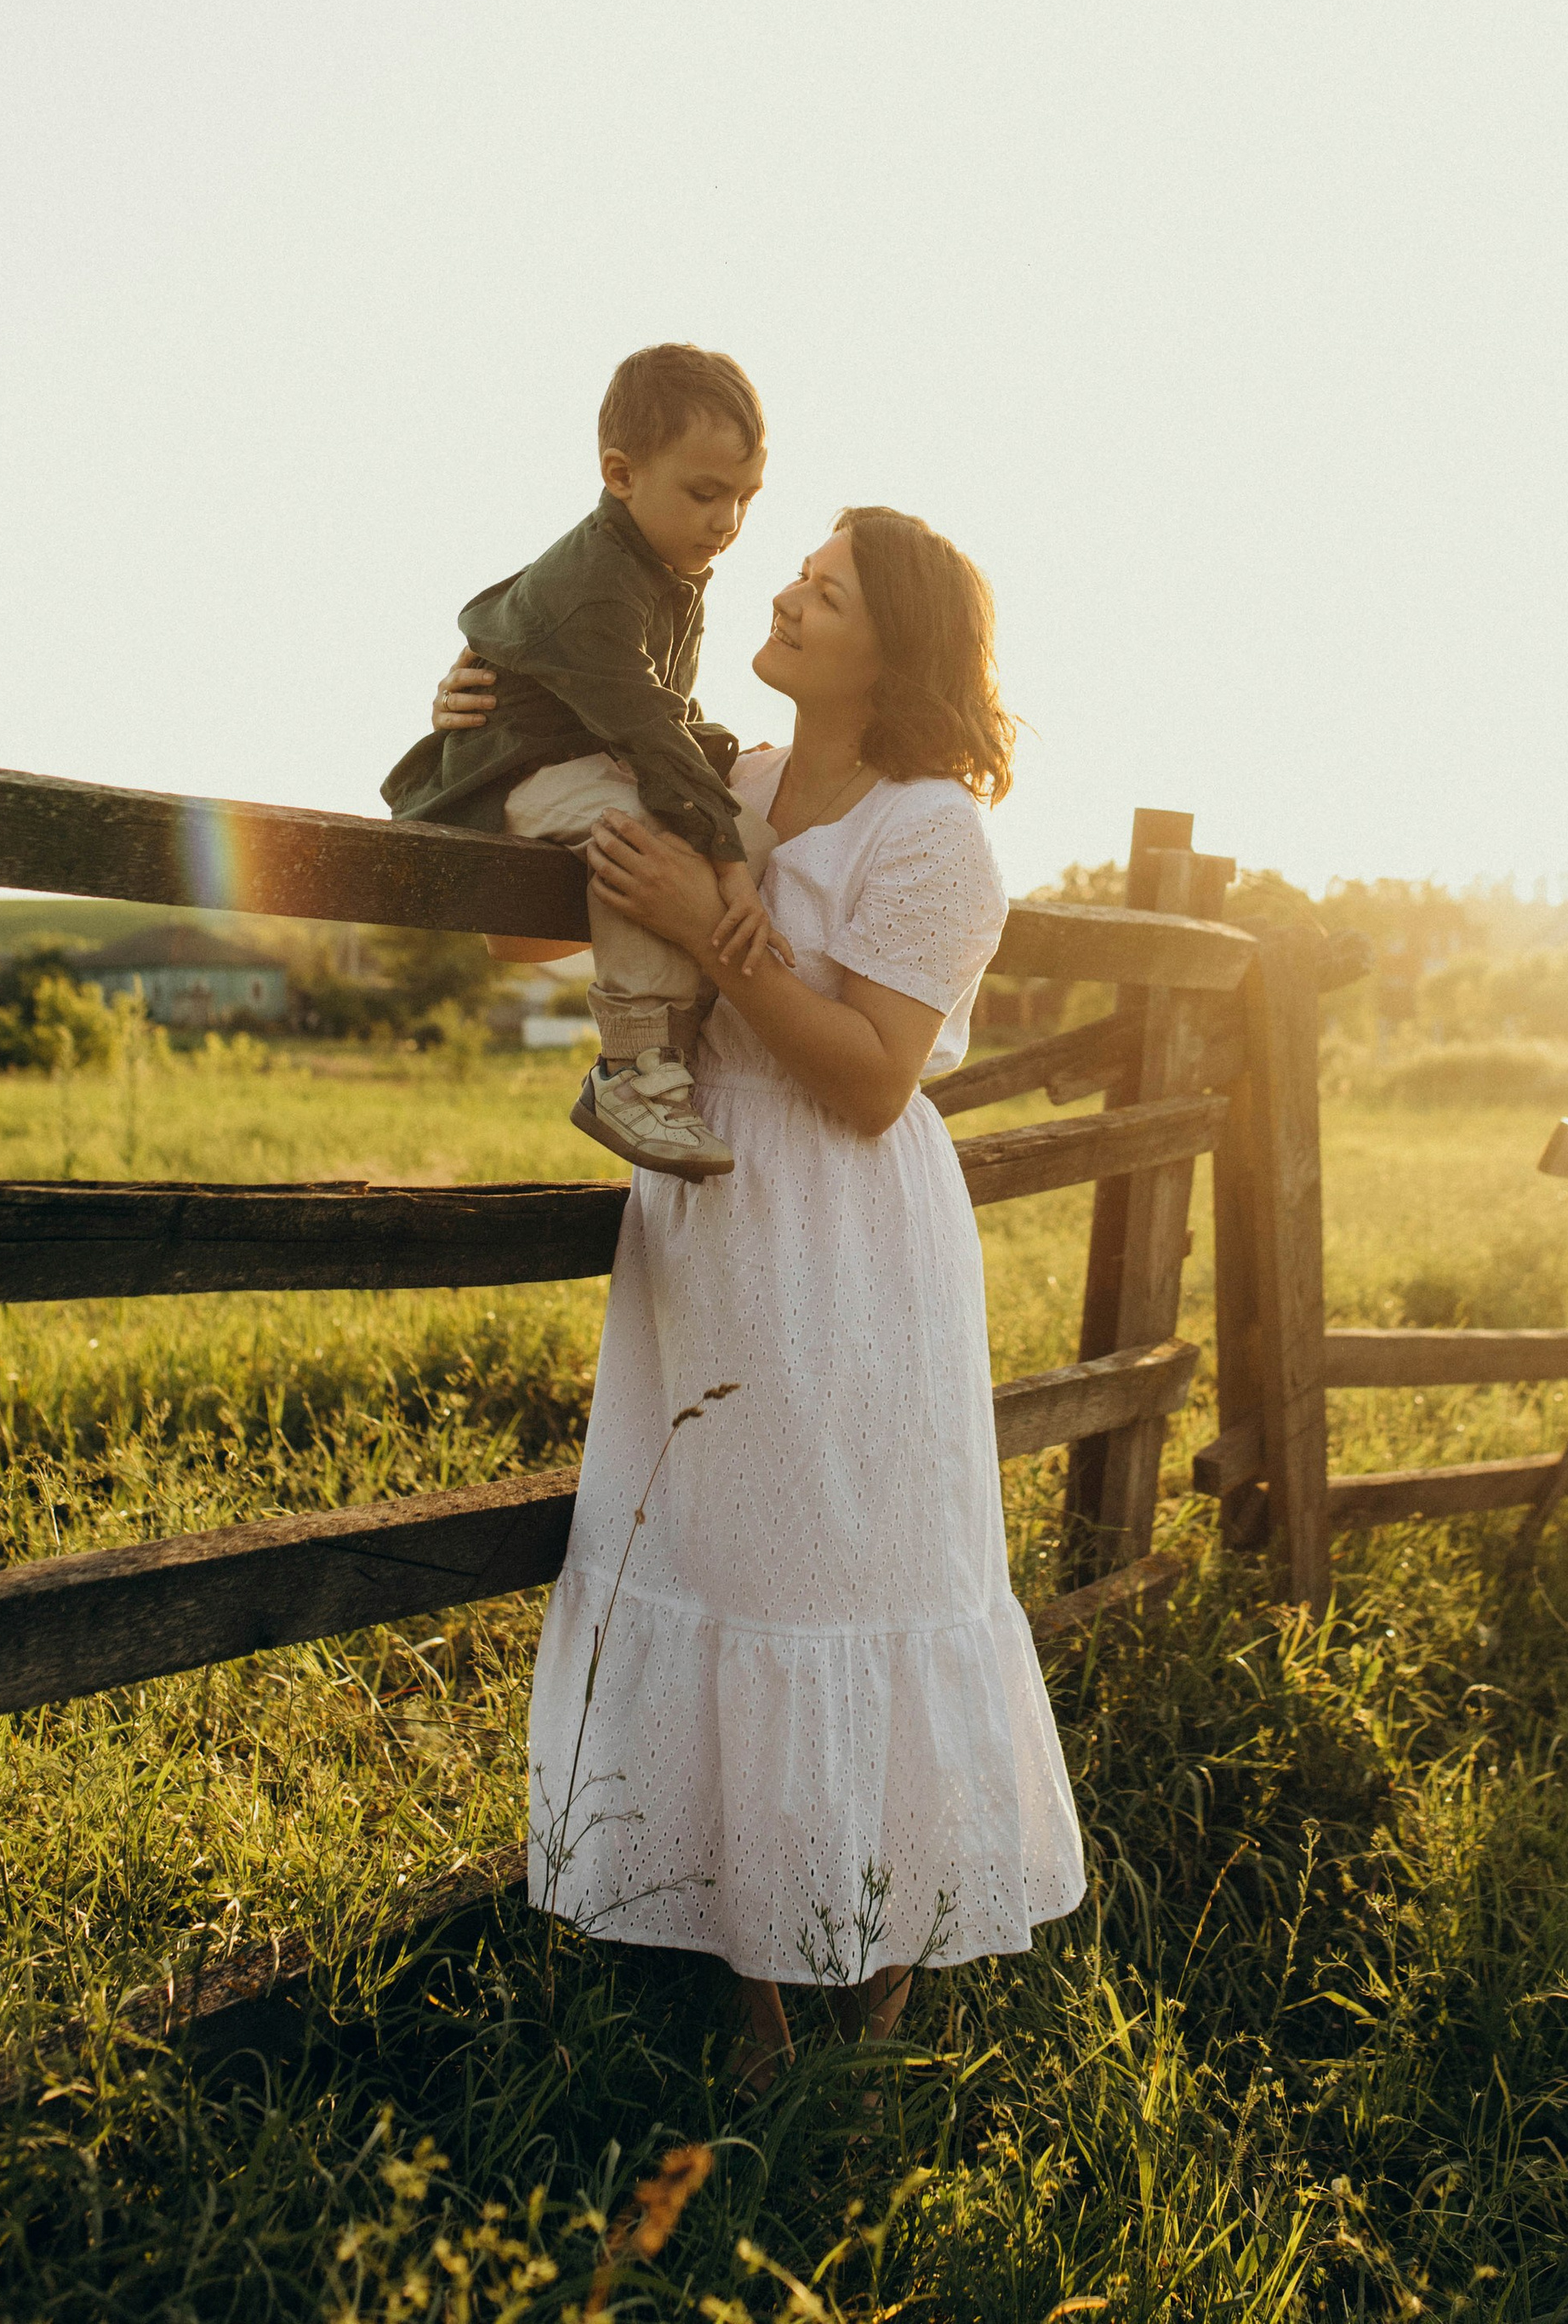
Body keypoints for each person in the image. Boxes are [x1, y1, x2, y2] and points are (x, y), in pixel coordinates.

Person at [431, 507, 1086, 2076]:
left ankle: (879, 1965)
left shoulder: (935, 833)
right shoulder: (733, 781)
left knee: (848, 1571)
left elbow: (871, 1081)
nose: (783, 590)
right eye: (796, 572)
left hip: (846, 1240)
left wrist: (713, 939)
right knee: (727, 1561)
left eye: (825, 588)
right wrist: (480, 705)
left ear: (892, 648)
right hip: (709, 1223)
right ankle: (753, 1989)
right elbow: (569, 795)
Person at [382, 343, 781, 1182]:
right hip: (515, 772)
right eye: (706, 494)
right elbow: (646, 730)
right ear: (621, 473)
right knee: (642, 830)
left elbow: (663, 716)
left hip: (586, 752)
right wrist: (726, 863)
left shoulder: (670, 564)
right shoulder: (603, 585)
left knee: (736, 820)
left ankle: (684, 1041)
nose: (728, 522)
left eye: (745, 498)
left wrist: (725, 783)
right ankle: (631, 1070)